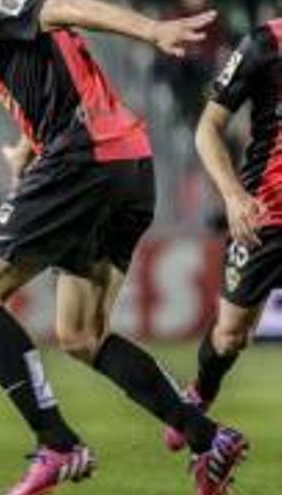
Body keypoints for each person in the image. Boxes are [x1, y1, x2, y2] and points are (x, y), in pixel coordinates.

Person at [0, 1, 248, 494]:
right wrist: (27, 146)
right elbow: (54, 75)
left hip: (84, 158)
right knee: (82, 335)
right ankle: (205, 437)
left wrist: (151, 30)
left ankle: (58, 443)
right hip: (130, 166)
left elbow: (61, 7)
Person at [163, 18, 282, 452]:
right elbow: (206, 128)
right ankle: (201, 395)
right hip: (266, 214)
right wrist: (233, 195)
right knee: (232, 333)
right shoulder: (265, 44)